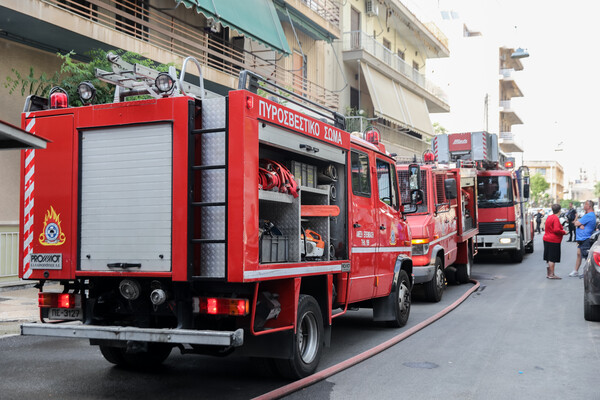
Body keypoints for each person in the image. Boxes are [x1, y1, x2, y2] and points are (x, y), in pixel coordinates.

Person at [568, 200, 597, 277]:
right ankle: (575, 271)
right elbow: (577, 223)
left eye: (585, 204)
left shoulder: (589, 215)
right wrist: (579, 224)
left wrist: (579, 224)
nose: (584, 206)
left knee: (587, 257)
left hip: (585, 238)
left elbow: (576, 223)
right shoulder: (587, 215)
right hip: (581, 238)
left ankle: (587, 272)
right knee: (579, 254)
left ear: (589, 206)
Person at [543, 203, 567, 279]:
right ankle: (551, 274)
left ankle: (549, 274)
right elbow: (556, 230)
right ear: (559, 210)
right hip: (553, 240)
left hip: (546, 238)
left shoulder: (549, 217)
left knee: (548, 257)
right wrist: (564, 232)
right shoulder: (556, 218)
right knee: (552, 258)